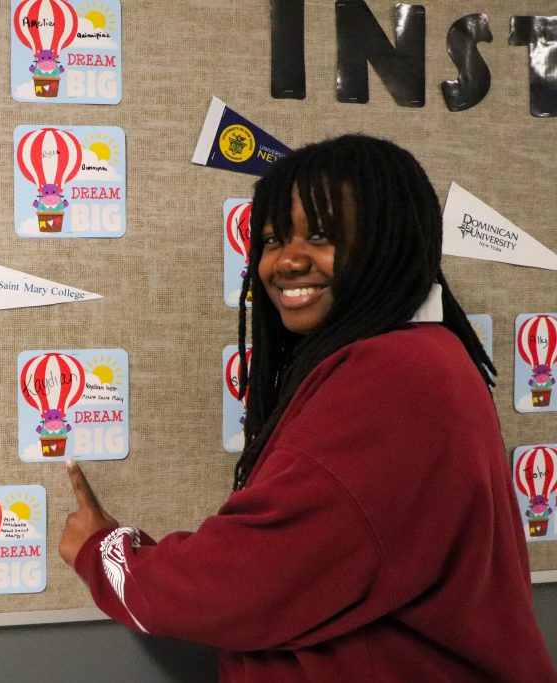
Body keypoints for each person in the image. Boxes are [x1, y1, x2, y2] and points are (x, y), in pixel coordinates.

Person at [59, 134, 557, 681]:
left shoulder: (394, 377)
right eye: (273, 240)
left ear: (388, 242)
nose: (289, 261)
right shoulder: (417, 356)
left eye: (321, 235)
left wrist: (104, 554)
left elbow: (244, 581)